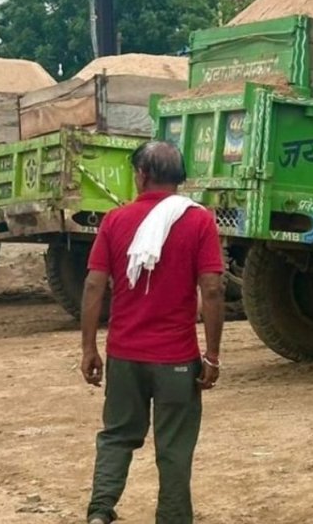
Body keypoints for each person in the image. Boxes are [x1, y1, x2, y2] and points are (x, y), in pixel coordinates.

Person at [80, 140, 225, 524]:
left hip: (125, 355)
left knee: (116, 436)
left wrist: (89, 348)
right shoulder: (199, 221)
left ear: (141, 176)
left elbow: (94, 286)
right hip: (177, 359)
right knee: (174, 448)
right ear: (179, 178)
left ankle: (99, 513)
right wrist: (212, 355)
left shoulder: (115, 221)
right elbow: (211, 289)